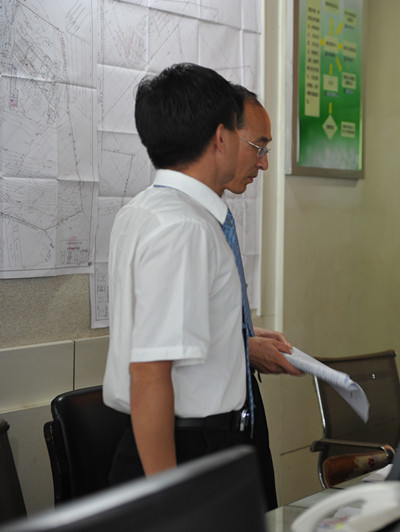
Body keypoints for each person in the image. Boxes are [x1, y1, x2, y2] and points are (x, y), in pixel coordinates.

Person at [103, 63, 251, 484]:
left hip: (167, 443)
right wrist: (169, 498)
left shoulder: (144, 209)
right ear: (221, 137)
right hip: (180, 451)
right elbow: (150, 372)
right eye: (238, 130)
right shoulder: (185, 227)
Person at [226, 84, 303, 509]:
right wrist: (242, 348)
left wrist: (248, 335)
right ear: (220, 137)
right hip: (202, 436)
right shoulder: (175, 225)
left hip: (241, 419)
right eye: (258, 147)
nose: (265, 163)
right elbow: (164, 348)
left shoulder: (219, 215)